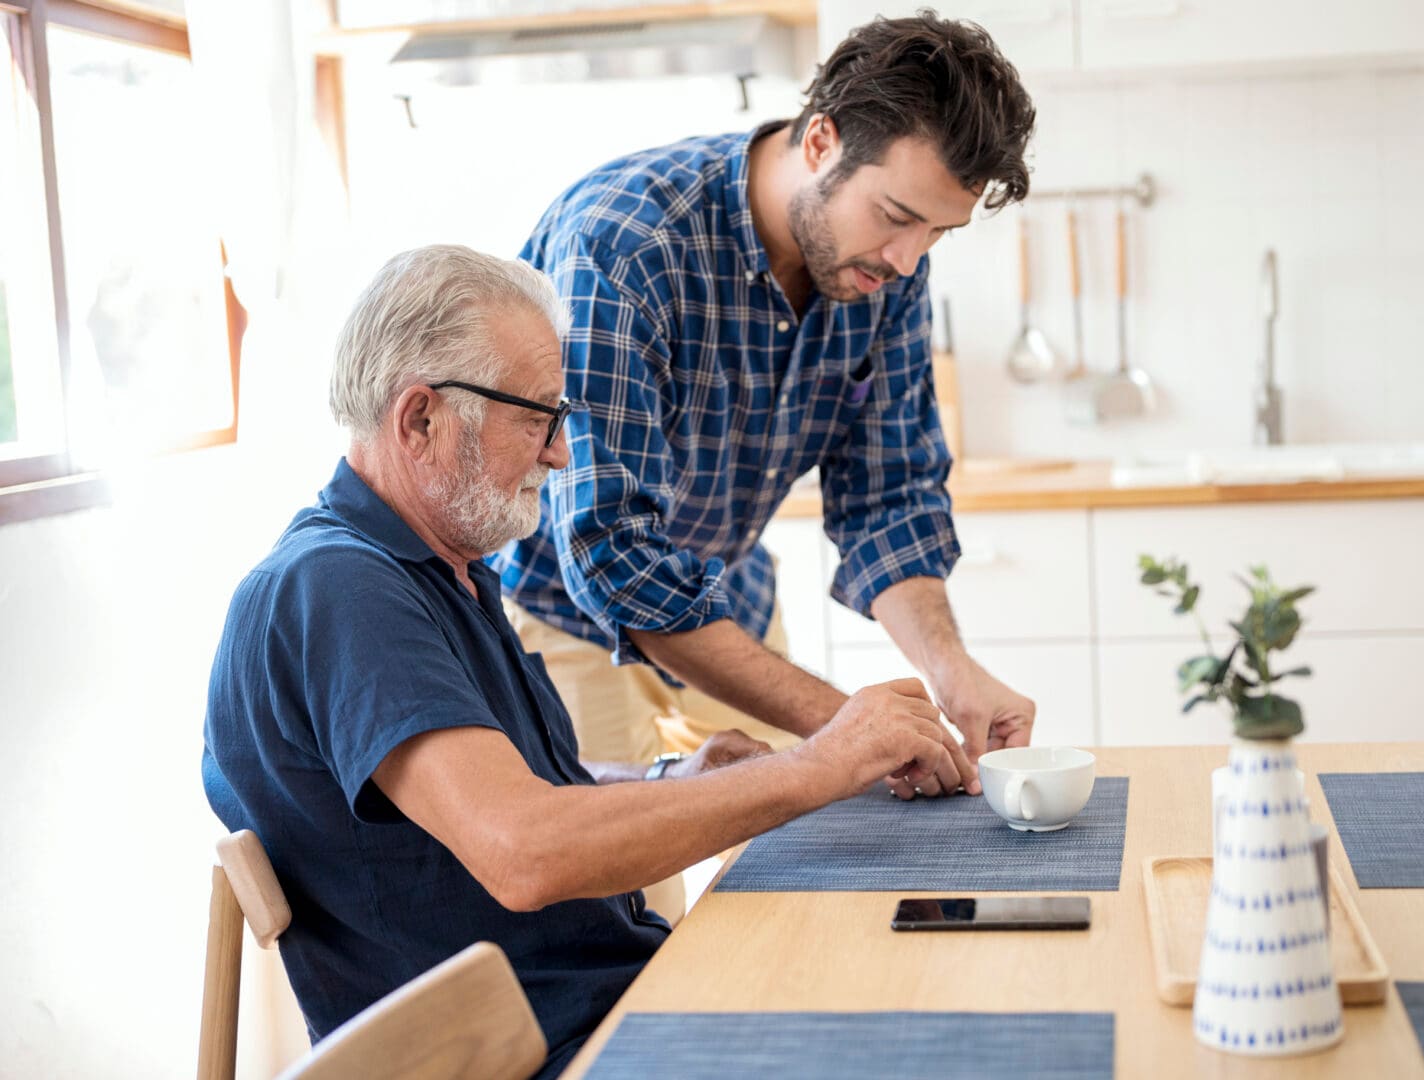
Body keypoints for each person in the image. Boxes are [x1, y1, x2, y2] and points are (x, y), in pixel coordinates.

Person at [202, 245, 965, 1079]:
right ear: (420, 418)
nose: (561, 454)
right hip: (548, 1052)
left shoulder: (433, 572)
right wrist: (820, 763)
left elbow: (503, 794)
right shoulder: (336, 588)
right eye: (537, 418)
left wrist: (674, 781)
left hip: (603, 1010)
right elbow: (524, 851)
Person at [493, 12, 1041, 913]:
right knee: (629, 922)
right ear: (820, 138)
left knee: (789, 889)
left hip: (725, 600)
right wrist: (844, 728)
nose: (907, 261)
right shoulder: (626, 243)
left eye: (935, 235)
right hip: (564, 625)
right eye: (897, 218)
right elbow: (613, 557)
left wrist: (950, 674)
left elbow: (889, 496)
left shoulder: (882, 270)